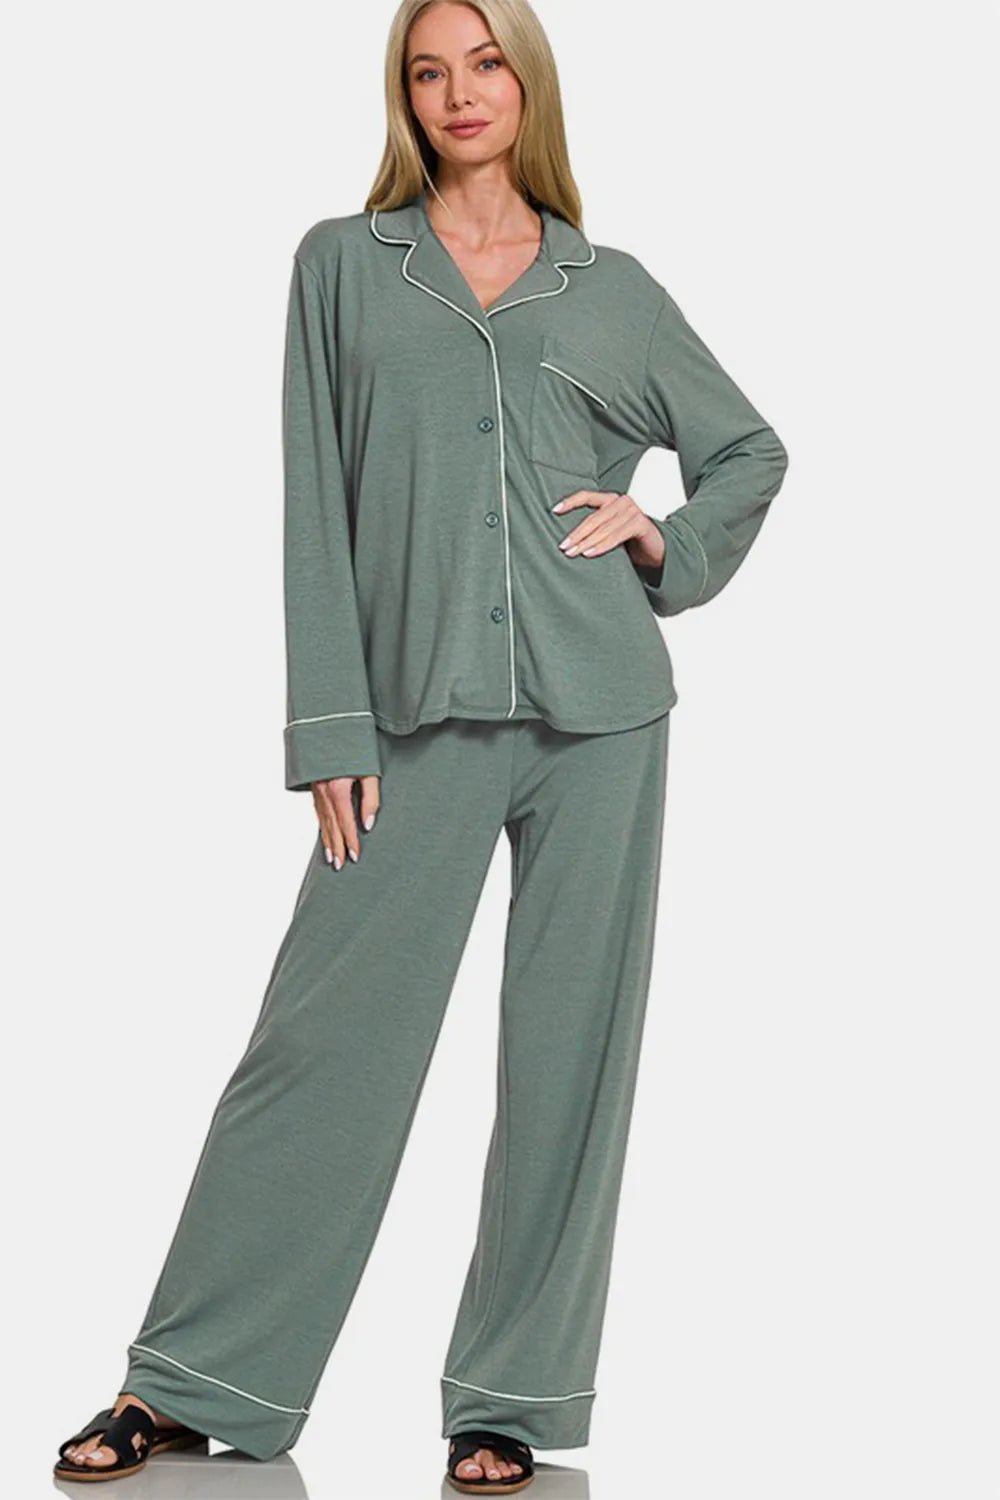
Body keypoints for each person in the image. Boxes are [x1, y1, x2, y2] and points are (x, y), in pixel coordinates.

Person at [53, 0, 789, 1491]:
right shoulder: (345, 264)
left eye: (486, 62)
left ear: (529, 80)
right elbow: (312, 500)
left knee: (569, 1060)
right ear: (405, 96)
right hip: (408, 719)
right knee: (323, 1044)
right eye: (429, 70)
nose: (460, 92)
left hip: (602, 713)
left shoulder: (614, 288)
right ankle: (191, 1379)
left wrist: (664, 539)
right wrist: (330, 722)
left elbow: (747, 450)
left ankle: (508, 1401)